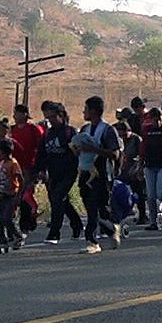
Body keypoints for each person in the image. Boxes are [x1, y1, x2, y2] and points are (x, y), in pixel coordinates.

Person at [73, 96, 122, 253]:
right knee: (91, 206)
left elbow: (115, 154)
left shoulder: (108, 130)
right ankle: (111, 228)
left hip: (101, 173)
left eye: (86, 109)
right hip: (85, 172)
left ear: (93, 111)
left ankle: (92, 241)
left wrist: (94, 150)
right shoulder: (84, 129)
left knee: (97, 205)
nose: (84, 112)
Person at [33, 101, 82, 243]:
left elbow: (75, 152)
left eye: (53, 117)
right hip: (53, 173)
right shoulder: (48, 134)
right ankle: (76, 223)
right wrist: (40, 170)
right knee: (60, 199)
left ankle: (55, 232)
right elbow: (41, 154)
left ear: (61, 116)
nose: (51, 121)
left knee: (57, 198)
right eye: (48, 118)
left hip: (68, 172)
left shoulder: (69, 132)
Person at [137, 107, 162, 230]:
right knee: (150, 195)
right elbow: (142, 149)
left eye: (159, 119)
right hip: (149, 165)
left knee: (160, 193)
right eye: (154, 119)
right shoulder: (146, 130)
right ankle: (154, 222)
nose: (157, 122)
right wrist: (139, 166)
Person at [8, 104, 44, 233]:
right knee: (16, 193)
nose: (14, 116)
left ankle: (30, 215)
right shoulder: (12, 130)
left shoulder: (34, 129)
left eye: (17, 113)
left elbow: (41, 147)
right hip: (15, 166)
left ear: (24, 114)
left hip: (30, 165)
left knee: (26, 192)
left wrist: (40, 168)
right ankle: (25, 219)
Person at [0, 138, 26, 253]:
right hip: (1, 195)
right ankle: (2, 236)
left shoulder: (13, 164)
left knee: (7, 218)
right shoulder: (1, 163)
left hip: (11, 195)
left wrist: (19, 195)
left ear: (4, 151)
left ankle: (18, 236)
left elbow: (21, 180)